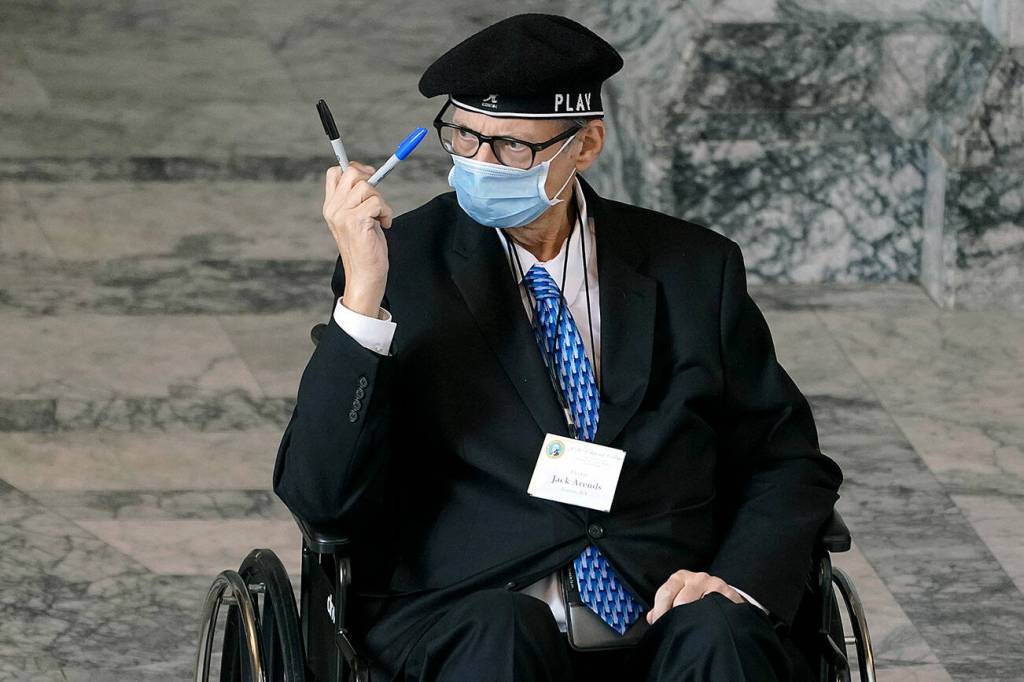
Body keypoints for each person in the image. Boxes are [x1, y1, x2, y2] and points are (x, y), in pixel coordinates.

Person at [272, 12, 843, 682]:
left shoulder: (695, 269)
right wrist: (364, 295)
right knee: (502, 634)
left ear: (586, 144)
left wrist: (736, 583)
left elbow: (785, 459)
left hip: (662, 602)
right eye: (463, 136)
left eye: (513, 147)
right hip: (477, 607)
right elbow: (319, 495)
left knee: (724, 634)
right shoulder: (401, 266)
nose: (480, 163)